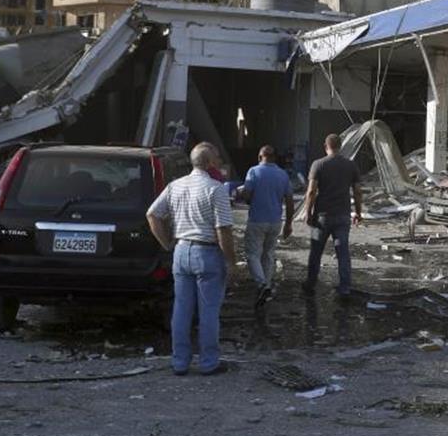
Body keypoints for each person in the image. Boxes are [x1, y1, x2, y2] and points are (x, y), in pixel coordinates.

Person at [146, 142, 235, 376]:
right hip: (207, 253)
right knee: (208, 311)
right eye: (216, 158)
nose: (219, 162)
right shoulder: (216, 189)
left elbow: (152, 214)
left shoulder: (175, 185)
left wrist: (166, 243)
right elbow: (223, 230)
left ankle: (180, 362)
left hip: (181, 251)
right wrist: (230, 262)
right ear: (209, 163)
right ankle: (208, 363)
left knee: (182, 309)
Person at [302, 133, 363, 298]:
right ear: (340, 146)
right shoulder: (351, 166)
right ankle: (345, 287)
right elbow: (357, 191)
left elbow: (311, 191)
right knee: (343, 252)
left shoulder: (318, 164)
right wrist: (358, 212)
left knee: (316, 251)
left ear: (325, 146)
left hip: (321, 217)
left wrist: (308, 213)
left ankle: (310, 283)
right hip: (343, 216)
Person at [240, 144, 295, 308]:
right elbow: (290, 201)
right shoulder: (283, 175)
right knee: (269, 254)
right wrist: (289, 223)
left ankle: (261, 283)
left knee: (252, 254)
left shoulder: (253, 172)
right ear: (274, 158)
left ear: (259, 157)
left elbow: (247, 195)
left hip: (257, 219)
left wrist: (242, 194)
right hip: (275, 221)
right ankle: (267, 285)